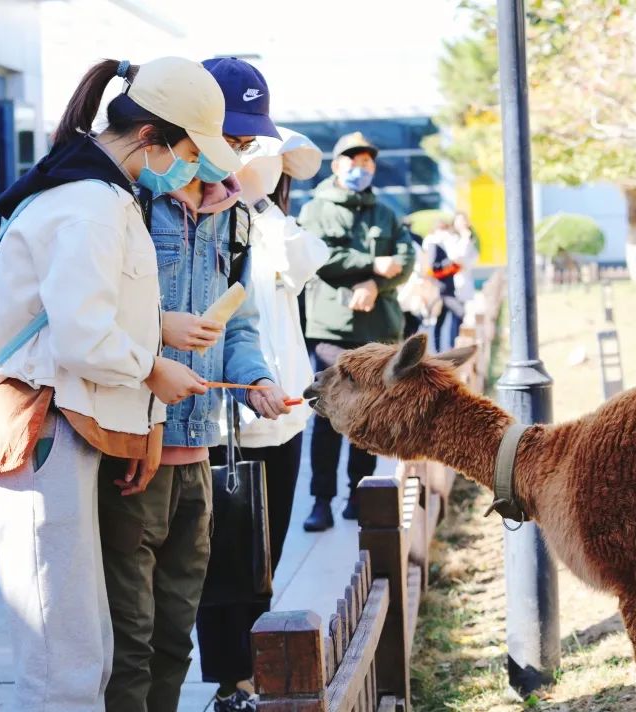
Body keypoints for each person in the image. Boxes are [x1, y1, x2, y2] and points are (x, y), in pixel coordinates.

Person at [0, 56, 234, 711]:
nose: (196, 168)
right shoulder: (90, 205)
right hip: (39, 437)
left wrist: (143, 423)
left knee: (81, 650)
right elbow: (87, 337)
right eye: (191, 151)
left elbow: (95, 318)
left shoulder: (92, 195)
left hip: (54, 433)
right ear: (148, 137)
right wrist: (152, 369)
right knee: (65, 660)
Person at [99, 57, 290, 712]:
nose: (231, 155)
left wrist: (256, 375)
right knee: (134, 636)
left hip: (198, 452)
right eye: (226, 139)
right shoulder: (130, 200)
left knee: (177, 636)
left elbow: (235, 325)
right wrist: (159, 333)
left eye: (241, 144)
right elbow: (96, 319)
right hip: (132, 449)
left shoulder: (233, 218)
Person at [197, 128, 328, 711]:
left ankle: (255, 668)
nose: (271, 169)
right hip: (228, 415)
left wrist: (263, 196)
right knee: (226, 555)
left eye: (276, 163)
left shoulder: (273, 227)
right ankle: (233, 679)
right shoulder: (205, 220)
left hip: (286, 412)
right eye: (255, 152)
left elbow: (301, 269)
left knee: (265, 554)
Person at [299, 131, 416, 532]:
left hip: (378, 328)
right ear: (336, 165)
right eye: (352, 160)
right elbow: (318, 256)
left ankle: (359, 494)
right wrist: (371, 263)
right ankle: (321, 501)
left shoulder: (385, 211)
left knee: (369, 413)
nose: (360, 168)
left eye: (367, 162)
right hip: (333, 329)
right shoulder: (316, 209)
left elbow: (406, 256)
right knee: (329, 412)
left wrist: (373, 285)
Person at [423, 218, 478, 351]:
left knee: (442, 321)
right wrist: (449, 266)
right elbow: (432, 268)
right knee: (458, 313)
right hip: (441, 290)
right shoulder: (433, 244)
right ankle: (441, 349)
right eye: (442, 229)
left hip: (448, 289)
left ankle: (442, 349)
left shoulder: (445, 244)